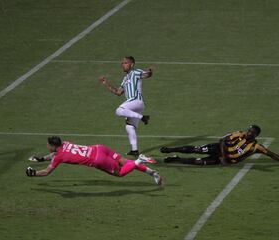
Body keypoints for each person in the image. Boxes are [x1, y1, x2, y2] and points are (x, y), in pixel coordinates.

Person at [26, 136, 163, 185]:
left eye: (48, 145)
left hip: (98, 160)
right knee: (124, 161)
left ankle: (139, 160)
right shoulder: (65, 143)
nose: (47, 146)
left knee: (120, 173)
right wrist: (42, 158)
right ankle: (152, 173)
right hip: (100, 148)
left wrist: (34, 174)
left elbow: (47, 172)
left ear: (53, 145)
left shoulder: (59, 156)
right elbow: (54, 155)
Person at [99, 56, 153, 156]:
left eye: (125, 63)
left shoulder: (136, 72)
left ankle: (143, 117)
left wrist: (149, 72)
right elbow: (118, 92)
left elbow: (146, 75)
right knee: (129, 126)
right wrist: (106, 84)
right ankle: (134, 150)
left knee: (119, 110)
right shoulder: (125, 78)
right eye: (122, 63)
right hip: (135, 104)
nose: (123, 65)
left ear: (131, 64)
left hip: (136, 101)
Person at [160, 125, 279, 165]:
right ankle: (170, 149)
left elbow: (272, 154)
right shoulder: (239, 134)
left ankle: (176, 159)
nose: (248, 133)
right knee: (198, 149)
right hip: (219, 149)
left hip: (222, 159)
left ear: (256, 135)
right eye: (249, 131)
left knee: (199, 162)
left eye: (252, 133)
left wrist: (224, 159)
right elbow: (222, 140)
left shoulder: (256, 147)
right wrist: (223, 156)